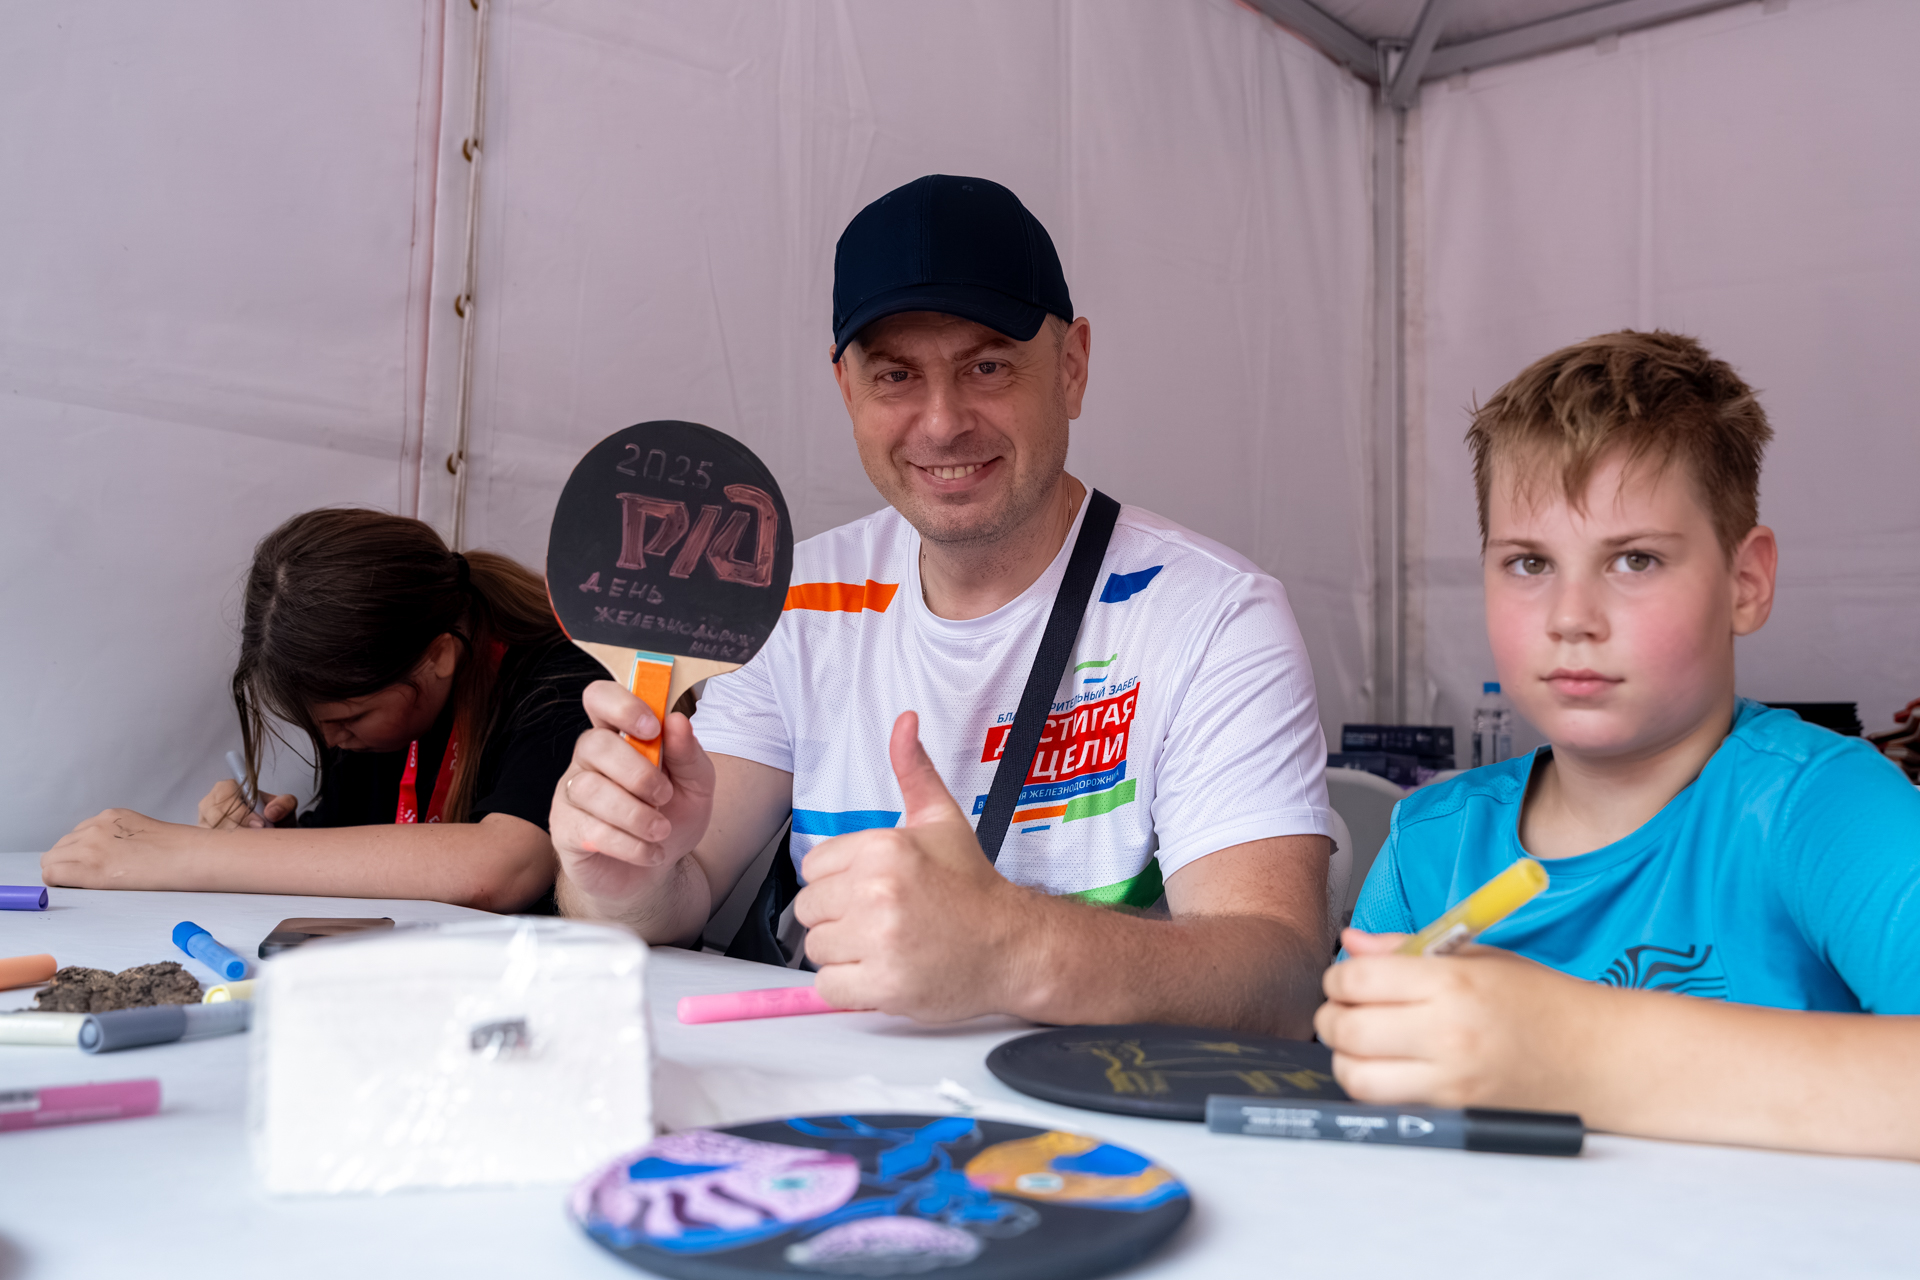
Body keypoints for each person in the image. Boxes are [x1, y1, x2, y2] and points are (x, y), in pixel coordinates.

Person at [552, 174, 1334, 1034]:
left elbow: (1279, 977)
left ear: (1071, 368)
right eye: (895, 375)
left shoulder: (1212, 617)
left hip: (1084, 1111)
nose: (941, 423)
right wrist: (623, 878)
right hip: (828, 1092)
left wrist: (1012, 947)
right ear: (847, 389)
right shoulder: (797, 602)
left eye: (987, 366)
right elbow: (679, 890)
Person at [1317, 331, 1920, 1159]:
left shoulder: (1825, 808)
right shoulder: (1430, 843)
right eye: (1529, 564)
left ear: (1745, 582)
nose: (1572, 617)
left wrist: (1581, 1053)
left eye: (1635, 560)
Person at [43, 509, 602, 911]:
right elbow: (357, 855)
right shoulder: (380, 722)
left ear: (438, 657)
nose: (334, 742)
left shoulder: (565, 677)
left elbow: (504, 866)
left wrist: (194, 855)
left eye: (348, 719)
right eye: (319, 726)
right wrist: (268, 835)